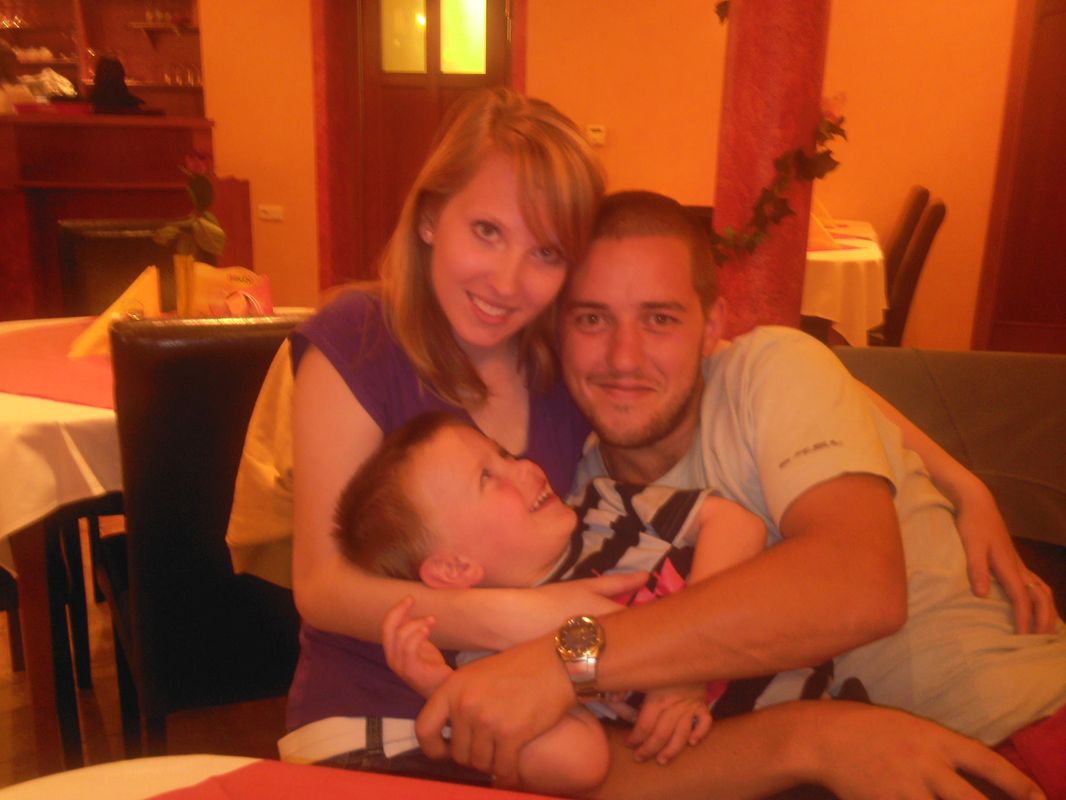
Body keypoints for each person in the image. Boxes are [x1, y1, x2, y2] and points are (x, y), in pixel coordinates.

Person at [410, 191, 1066, 798]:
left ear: (711, 326)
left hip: (1027, 727)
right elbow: (607, 769)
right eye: (591, 319)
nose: (624, 357)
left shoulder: (766, 373)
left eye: (660, 319)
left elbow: (860, 582)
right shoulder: (575, 507)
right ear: (558, 329)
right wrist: (813, 740)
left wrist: (564, 662)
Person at [286, 86, 630, 784]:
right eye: (487, 231)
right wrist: (521, 620)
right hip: (367, 728)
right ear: (430, 216)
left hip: (524, 727)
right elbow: (322, 586)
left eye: (545, 252)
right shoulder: (360, 338)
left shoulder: (564, 374)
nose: (507, 281)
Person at [325, 410, 766, 795]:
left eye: (505, 454)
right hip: (744, 755)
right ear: (454, 567)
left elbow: (738, 524)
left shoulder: (605, 504)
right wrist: (448, 694)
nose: (526, 467)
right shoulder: (493, 658)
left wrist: (686, 662)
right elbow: (582, 764)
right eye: (487, 477)